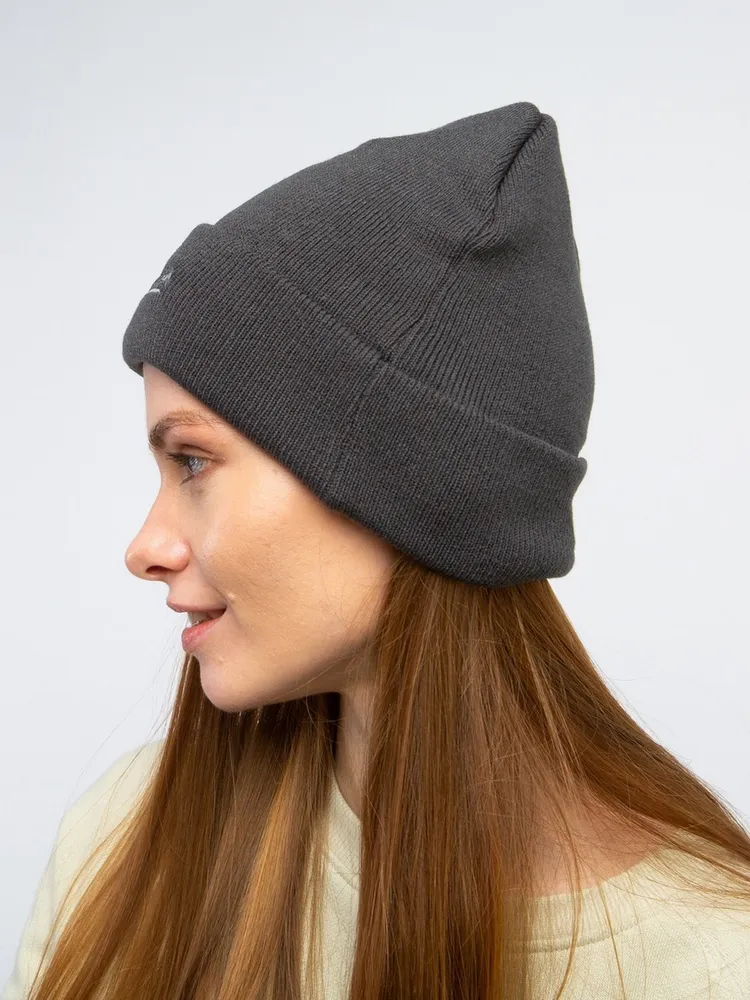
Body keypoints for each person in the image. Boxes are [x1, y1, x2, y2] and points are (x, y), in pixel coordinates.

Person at [4, 101, 750, 1000]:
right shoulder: (125, 841)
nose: (146, 548)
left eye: (193, 461)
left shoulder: (715, 963)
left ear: (405, 485)